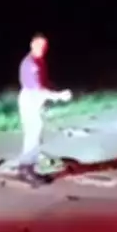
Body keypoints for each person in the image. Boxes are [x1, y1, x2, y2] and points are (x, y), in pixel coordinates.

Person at [16, 33, 72, 186]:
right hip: (30, 100)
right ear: (32, 45)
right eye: (39, 45)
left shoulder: (39, 61)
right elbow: (38, 90)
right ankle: (25, 168)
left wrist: (53, 91)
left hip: (35, 99)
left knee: (36, 135)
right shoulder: (30, 64)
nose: (42, 48)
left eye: (44, 46)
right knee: (32, 136)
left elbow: (43, 83)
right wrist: (58, 96)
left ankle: (28, 166)